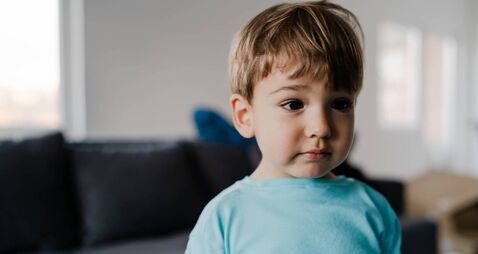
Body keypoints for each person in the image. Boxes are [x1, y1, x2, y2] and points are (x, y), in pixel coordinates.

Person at [185, 1, 401, 253]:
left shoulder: (374, 210)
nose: (321, 127)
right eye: (293, 104)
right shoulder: (224, 218)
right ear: (245, 116)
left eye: (340, 104)